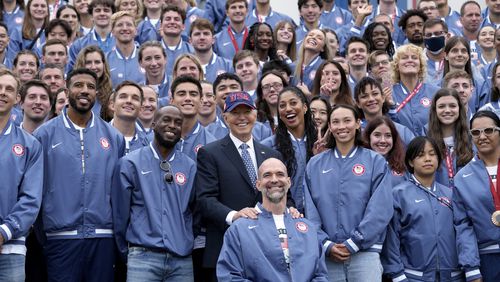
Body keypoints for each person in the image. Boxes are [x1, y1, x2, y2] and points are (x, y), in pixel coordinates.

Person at [33, 68, 125, 281]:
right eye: (78, 85)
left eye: (91, 87)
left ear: (97, 93)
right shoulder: (44, 135)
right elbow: (35, 189)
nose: (85, 91)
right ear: (66, 90)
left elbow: (119, 192)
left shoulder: (114, 137)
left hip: (103, 238)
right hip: (59, 238)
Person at [195, 91, 283, 282]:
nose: (242, 117)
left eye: (246, 111)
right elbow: (204, 199)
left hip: (266, 251)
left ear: (255, 114)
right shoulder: (210, 153)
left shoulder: (271, 155)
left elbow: (282, 196)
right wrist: (234, 216)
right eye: (235, 112)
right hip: (225, 250)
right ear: (225, 117)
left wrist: (291, 210)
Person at [304, 104, 392, 281]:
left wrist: (355, 242)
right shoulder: (315, 165)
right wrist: (325, 244)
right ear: (329, 126)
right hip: (328, 256)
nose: (341, 126)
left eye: (347, 120)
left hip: (365, 254)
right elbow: (310, 212)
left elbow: (380, 209)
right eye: (335, 122)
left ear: (358, 123)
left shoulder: (375, 161)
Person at [112, 105, 196, 281]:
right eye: (166, 120)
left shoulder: (190, 166)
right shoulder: (130, 163)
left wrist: (184, 239)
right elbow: (120, 216)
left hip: (181, 260)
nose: (172, 125)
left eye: (178, 122)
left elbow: (195, 213)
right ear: (154, 124)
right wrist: (127, 253)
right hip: (143, 257)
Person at [217, 158, 328, 282]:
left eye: (280, 174)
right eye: (267, 175)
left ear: (289, 182)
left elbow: (320, 275)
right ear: (258, 184)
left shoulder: (308, 229)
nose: (274, 180)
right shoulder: (239, 230)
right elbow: (229, 277)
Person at [383, 136, 463, 281]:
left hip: (452, 276)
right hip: (414, 276)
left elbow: (463, 232)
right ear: (410, 161)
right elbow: (391, 238)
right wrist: (396, 274)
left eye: (432, 154)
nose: (427, 159)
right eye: (420, 155)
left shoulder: (450, 194)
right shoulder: (399, 194)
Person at [0, 68, 43, 282]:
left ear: (17, 98)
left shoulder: (30, 145)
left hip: (11, 248)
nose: (2, 93)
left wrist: (4, 232)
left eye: (9, 89)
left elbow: (31, 198)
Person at [453, 111, 500, 282]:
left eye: (489, 130)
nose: (482, 137)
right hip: (487, 260)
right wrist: (472, 270)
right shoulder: (462, 178)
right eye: (476, 132)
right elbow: (463, 225)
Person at [262, 86, 317, 213]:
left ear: (305, 107)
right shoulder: (268, 146)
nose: (288, 109)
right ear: (279, 115)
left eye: (293, 103)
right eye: (282, 106)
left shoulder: (320, 143)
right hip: (286, 214)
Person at [425, 88, 474, 187]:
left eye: (452, 106)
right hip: (438, 197)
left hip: (467, 197)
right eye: (441, 106)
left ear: (460, 109)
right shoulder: (425, 136)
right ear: (435, 110)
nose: (447, 110)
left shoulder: (471, 137)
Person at [206, 72, 272, 141]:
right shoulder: (208, 133)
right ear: (214, 98)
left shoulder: (262, 130)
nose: (229, 91)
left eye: (233, 87)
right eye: (222, 88)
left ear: (243, 93)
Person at [391, 44, 440, 135]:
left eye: (414, 58)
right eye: (404, 58)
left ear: (420, 65)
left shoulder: (436, 92)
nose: (410, 60)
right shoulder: (389, 94)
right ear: (397, 65)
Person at [354, 76, 415, 146]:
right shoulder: (355, 133)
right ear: (358, 103)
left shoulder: (401, 131)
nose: (371, 99)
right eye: (364, 96)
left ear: (383, 98)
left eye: (375, 94)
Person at [169, 75, 216, 161]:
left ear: (201, 101)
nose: (187, 98)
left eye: (193, 94)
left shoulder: (211, 144)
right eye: (182, 94)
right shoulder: (155, 139)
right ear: (171, 100)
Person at [69, 0, 116, 68]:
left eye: (106, 10)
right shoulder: (78, 45)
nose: (102, 13)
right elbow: (72, 72)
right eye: (97, 10)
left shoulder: (121, 42)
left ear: (113, 14)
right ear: (91, 16)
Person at [364, 116, 407, 186]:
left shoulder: (403, 165)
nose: (383, 140)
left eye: (388, 135)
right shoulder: (359, 165)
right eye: (377, 135)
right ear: (369, 137)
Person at [107, 11, 145, 88]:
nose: (124, 28)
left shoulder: (146, 57)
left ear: (136, 30)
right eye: (120, 25)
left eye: (129, 24)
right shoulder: (105, 59)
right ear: (112, 31)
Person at [109, 81, 149, 154]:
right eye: (123, 97)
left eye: (135, 98)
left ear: (141, 108)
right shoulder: (97, 137)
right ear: (112, 105)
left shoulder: (149, 144)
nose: (129, 101)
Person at [189, 18, 233, 84]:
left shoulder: (228, 66)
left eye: (206, 34)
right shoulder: (184, 67)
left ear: (213, 39)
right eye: (197, 34)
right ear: (190, 41)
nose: (202, 38)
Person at [160, 5, 195, 75]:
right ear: (161, 25)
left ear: (183, 26)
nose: (172, 22)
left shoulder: (193, 51)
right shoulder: (153, 51)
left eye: (176, 19)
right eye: (168, 19)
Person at [293, 28, 331, 93]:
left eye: (319, 38)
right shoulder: (292, 66)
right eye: (310, 35)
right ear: (304, 41)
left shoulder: (325, 67)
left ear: (323, 48)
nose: (313, 37)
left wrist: (309, 95)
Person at [423, 19, 450, 85]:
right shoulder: (417, 62)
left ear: (448, 36)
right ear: (423, 38)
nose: (433, 37)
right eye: (428, 35)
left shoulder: (456, 60)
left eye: (437, 33)